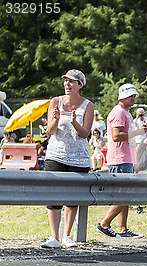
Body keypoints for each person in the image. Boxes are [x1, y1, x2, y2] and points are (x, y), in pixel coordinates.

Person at [42, 69, 94, 248]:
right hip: (56, 155)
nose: (67, 84)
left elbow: (85, 134)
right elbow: (51, 130)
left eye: (71, 81)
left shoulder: (88, 105)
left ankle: (67, 236)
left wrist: (74, 123)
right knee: (54, 197)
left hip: (78, 159)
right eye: (65, 81)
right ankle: (54, 238)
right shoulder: (55, 101)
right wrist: (56, 119)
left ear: (80, 85)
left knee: (72, 199)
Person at [97, 83, 147, 238]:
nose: (133, 98)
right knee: (125, 195)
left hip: (125, 158)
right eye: (131, 95)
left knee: (125, 195)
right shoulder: (118, 112)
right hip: (119, 159)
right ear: (123, 97)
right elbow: (116, 136)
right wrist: (138, 132)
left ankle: (123, 229)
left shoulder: (125, 112)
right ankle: (104, 224)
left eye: (134, 96)